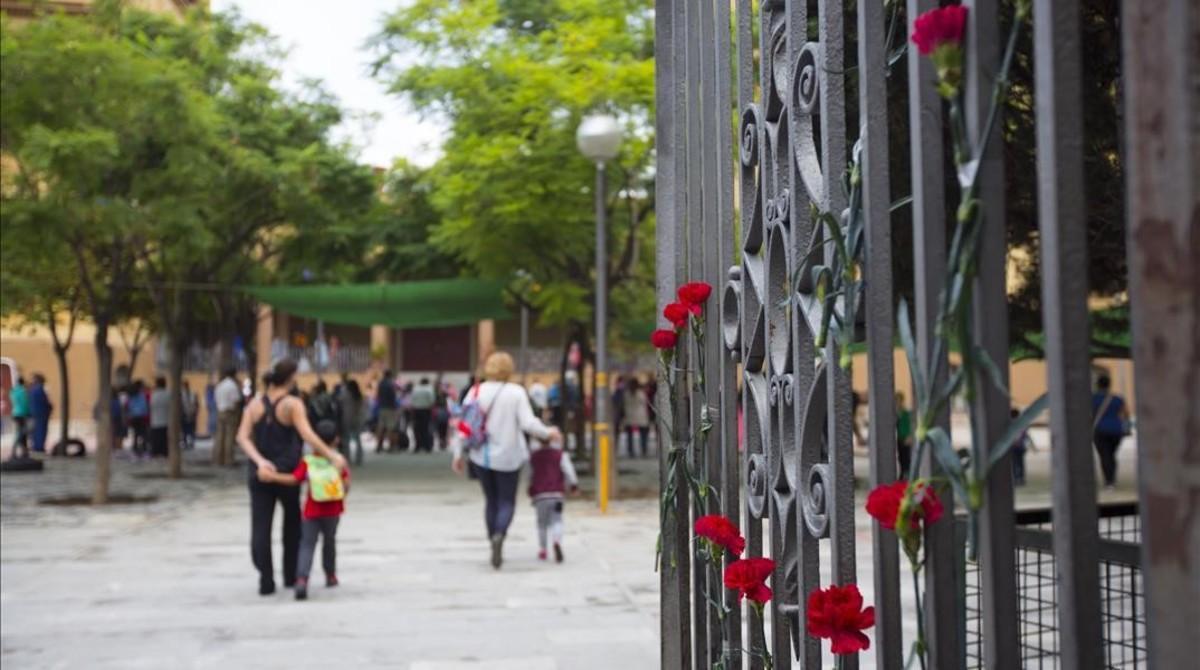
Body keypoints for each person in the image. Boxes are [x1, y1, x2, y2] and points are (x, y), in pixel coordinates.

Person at [236, 358, 347, 596]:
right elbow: (307, 433)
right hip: (288, 472)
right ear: (290, 378)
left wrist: (259, 462)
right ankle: (289, 575)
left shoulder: (254, 405)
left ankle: (266, 579)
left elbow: (242, 437)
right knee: (292, 526)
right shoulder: (292, 404)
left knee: (260, 528)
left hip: (261, 475)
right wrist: (331, 455)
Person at [451, 352, 562, 569]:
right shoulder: (516, 392)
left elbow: (463, 426)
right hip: (509, 457)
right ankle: (500, 534)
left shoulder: (475, 391)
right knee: (506, 500)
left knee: (490, 499)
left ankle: (492, 536)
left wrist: (457, 454)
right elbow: (528, 423)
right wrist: (548, 433)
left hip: (481, 456)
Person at [256, 419, 350, 601]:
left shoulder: (308, 462)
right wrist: (341, 496)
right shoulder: (338, 462)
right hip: (333, 510)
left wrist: (272, 477)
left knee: (307, 544)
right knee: (329, 542)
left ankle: (301, 579)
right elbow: (346, 484)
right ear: (336, 440)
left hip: (311, 510)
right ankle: (330, 575)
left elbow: (294, 479)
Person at [528, 435, 578, 562]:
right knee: (557, 520)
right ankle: (556, 540)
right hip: (557, 495)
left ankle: (543, 550)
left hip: (540, 496)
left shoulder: (534, 456)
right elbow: (569, 471)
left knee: (541, 524)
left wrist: (530, 489)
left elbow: (530, 474)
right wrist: (573, 485)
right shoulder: (560, 455)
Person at [1092, 374, 1130, 489]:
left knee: (1105, 456)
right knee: (1112, 455)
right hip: (1116, 431)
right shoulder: (1118, 398)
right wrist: (1126, 427)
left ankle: (1109, 482)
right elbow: (1126, 414)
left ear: (1097, 385)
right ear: (1109, 384)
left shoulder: (1092, 398)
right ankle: (1112, 479)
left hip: (1100, 430)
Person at [213, 368, 241, 466]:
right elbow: (236, 400)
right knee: (229, 436)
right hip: (230, 412)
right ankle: (228, 460)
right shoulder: (232, 386)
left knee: (219, 436)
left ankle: (218, 459)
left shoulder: (220, 385)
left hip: (220, 410)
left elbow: (215, 399)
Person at [338, 379, 365, 466]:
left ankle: (347, 458)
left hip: (346, 418)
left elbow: (339, 401)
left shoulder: (345, 394)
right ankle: (359, 458)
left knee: (346, 439)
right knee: (358, 440)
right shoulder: (359, 395)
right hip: (357, 418)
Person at [623, 377, 651, 458]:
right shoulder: (641, 393)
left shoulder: (626, 394)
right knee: (643, 435)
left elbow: (623, 404)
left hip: (630, 416)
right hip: (640, 416)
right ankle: (643, 450)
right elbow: (646, 403)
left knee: (630, 436)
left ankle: (631, 451)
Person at [375, 370, 400, 453]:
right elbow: (393, 397)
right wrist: (395, 407)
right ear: (390, 375)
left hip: (381, 407)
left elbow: (378, 396)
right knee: (391, 428)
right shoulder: (391, 384)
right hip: (390, 408)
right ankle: (391, 447)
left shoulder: (380, 384)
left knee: (381, 427)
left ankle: (379, 446)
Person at [410, 377, 436, 452]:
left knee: (417, 428)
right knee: (426, 428)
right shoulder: (429, 389)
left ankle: (417, 446)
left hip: (416, 410)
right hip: (426, 410)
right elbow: (432, 400)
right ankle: (427, 446)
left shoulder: (415, 389)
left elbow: (412, 400)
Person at [29, 374, 51, 455]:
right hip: (41, 413)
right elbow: (44, 402)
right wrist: (49, 407)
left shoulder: (32, 389)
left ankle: (36, 446)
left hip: (34, 413)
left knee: (35, 431)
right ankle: (39, 447)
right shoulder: (40, 389)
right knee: (41, 430)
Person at [126, 380, 149, 456]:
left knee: (136, 433)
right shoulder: (141, 394)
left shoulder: (131, 394)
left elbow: (129, 406)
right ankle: (143, 448)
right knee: (143, 433)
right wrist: (145, 413)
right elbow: (144, 406)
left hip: (133, 417)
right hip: (141, 416)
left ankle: (135, 449)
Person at [149, 377, 170, 458]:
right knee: (164, 439)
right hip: (165, 420)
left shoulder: (154, 394)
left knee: (156, 439)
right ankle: (164, 453)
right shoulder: (168, 394)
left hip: (155, 421)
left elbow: (151, 406)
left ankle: (156, 453)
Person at [1010, 407, 1031, 486]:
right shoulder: (1023, 423)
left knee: (1015, 463)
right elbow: (1026, 435)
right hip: (1021, 447)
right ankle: (1021, 478)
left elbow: (1020, 435)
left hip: (1015, 446)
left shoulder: (1012, 423)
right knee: (1020, 463)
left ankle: (1016, 478)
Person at [895, 391, 913, 479]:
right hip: (899, 438)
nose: (898, 403)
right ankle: (903, 474)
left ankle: (906, 474)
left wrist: (909, 436)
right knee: (901, 457)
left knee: (906, 457)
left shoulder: (905, 413)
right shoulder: (896, 413)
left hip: (905, 438)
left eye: (899, 400)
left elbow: (910, 425)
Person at [9, 376, 29, 451]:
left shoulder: (13, 391)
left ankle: (22, 447)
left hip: (15, 413)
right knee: (22, 431)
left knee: (19, 430)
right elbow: (25, 403)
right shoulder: (23, 391)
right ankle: (18, 446)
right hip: (22, 413)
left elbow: (13, 401)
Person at [181, 381, 198, 450]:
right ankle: (185, 442)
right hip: (184, 414)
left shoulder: (193, 393)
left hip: (192, 413)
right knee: (185, 429)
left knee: (192, 429)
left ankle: (191, 442)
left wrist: (195, 412)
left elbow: (196, 404)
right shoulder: (181, 394)